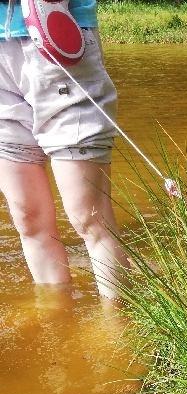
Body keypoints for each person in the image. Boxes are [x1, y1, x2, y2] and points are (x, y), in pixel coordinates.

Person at [0, 0, 127, 299]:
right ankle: (57, 321)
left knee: (88, 216)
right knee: (27, 218)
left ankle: (117, 334)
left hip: (58, 37)